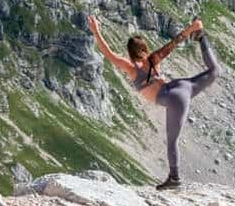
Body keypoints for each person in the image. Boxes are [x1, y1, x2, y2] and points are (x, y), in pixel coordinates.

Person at [88, 14, 222, 190]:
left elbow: (108, 53)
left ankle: (174, 178)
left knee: (172, 140)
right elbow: (174, 43)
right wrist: (192, 28)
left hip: (173, 98)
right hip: (183, 85)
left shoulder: (131, 68)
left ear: (130, 53)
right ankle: (202, 37)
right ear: (144, 49)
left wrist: (96, 31)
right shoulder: (154, 59)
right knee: (214, 71)